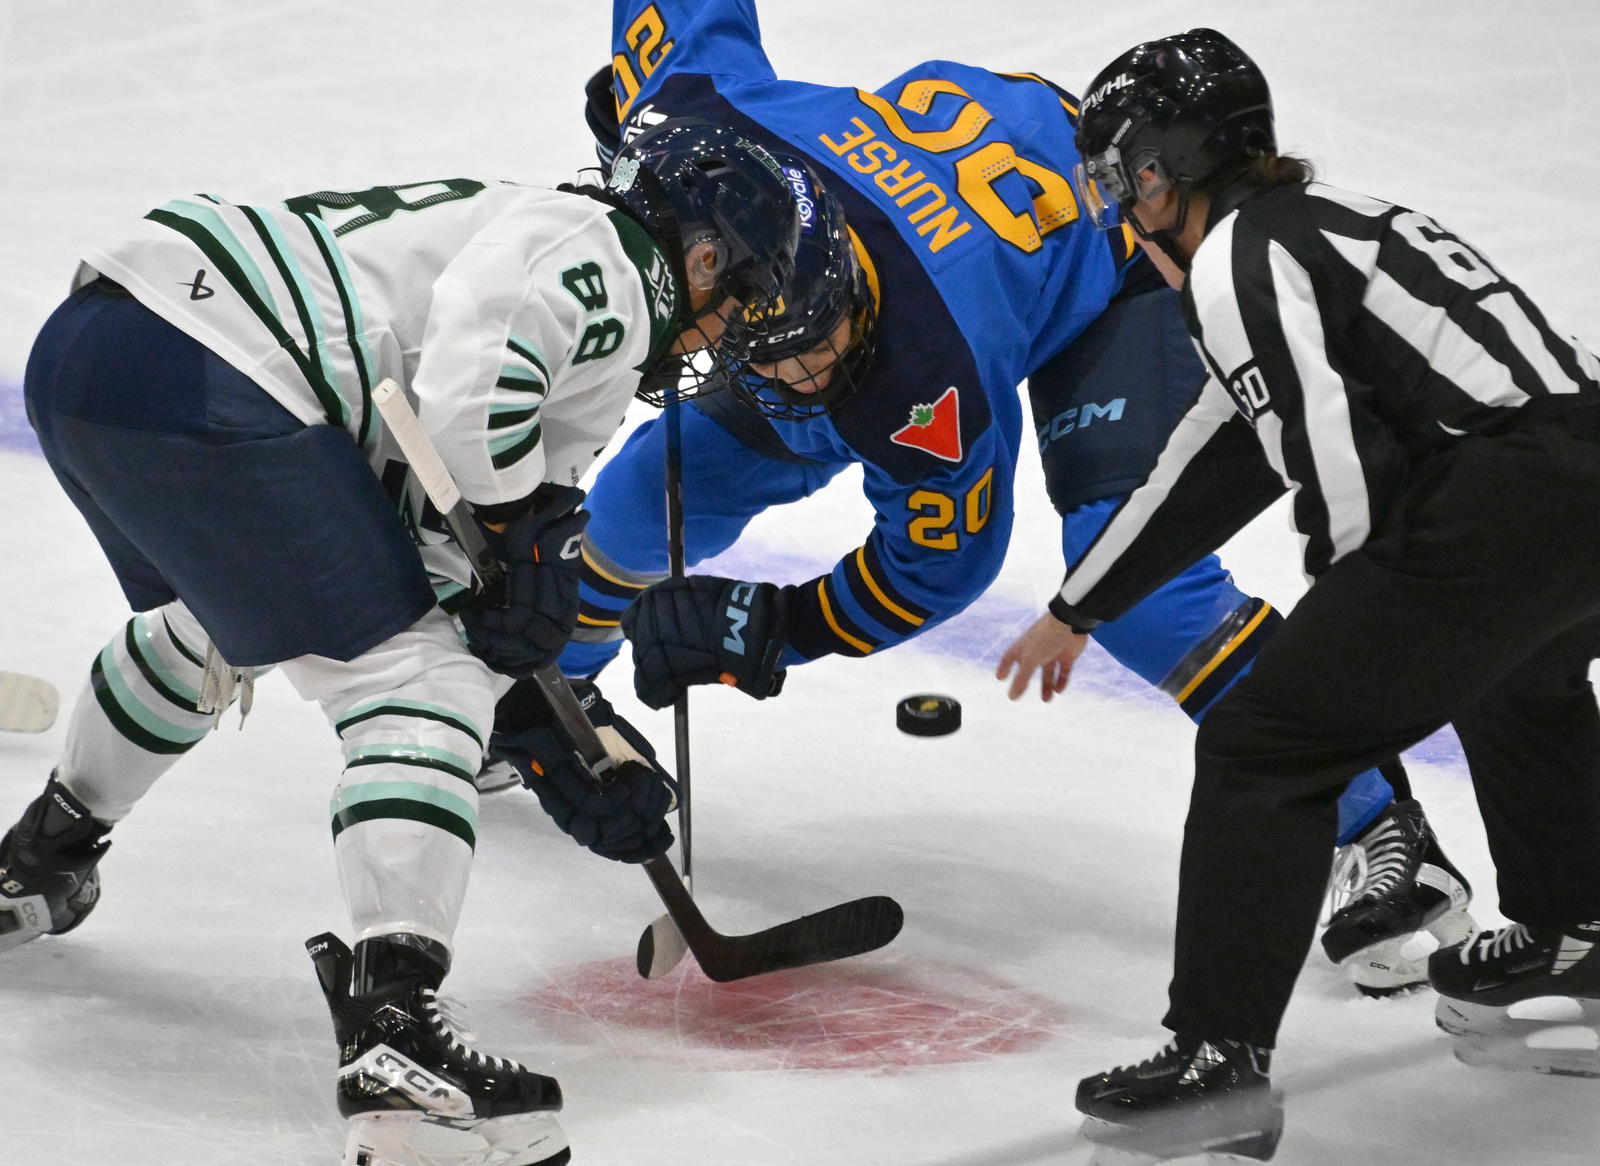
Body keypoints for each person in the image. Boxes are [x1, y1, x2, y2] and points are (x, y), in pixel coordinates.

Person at [513, 0, 1465, 996]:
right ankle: (550, 696)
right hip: (916, 220)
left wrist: (776, 624)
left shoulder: (931, 377)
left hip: (1100, 264)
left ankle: (1381, 821)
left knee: (1137, 587)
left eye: (823, 353)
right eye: (774, 352)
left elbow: (939, 570)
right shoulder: (699, 122)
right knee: (637, 494)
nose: (808, 381)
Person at [0, 118, 800, 1166]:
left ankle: (40, 858)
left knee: (219, 627)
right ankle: (395, 1036)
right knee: (421, 680)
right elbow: (475, 403)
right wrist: (512, 564)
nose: (721, 327)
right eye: (735, 293)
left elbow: (439, 537)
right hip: (219, 370)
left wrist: (551, 719)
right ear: (699, 252)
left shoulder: (542, 245)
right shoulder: (612, 257)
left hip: (105, 355)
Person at [998, 28, 1600, 1160]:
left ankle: (1216, 1063)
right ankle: (1586, 940)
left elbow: (1340, 470)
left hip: (1498, 498)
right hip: (1579, 476)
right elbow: (1210, 455)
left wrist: (1345, 641)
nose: (1119, 210)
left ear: (1156, 172)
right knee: (1525, 679)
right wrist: (1077, 606)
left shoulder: (1235, 255)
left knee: (1266, 746)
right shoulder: (1325, 225)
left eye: (1118, 178)